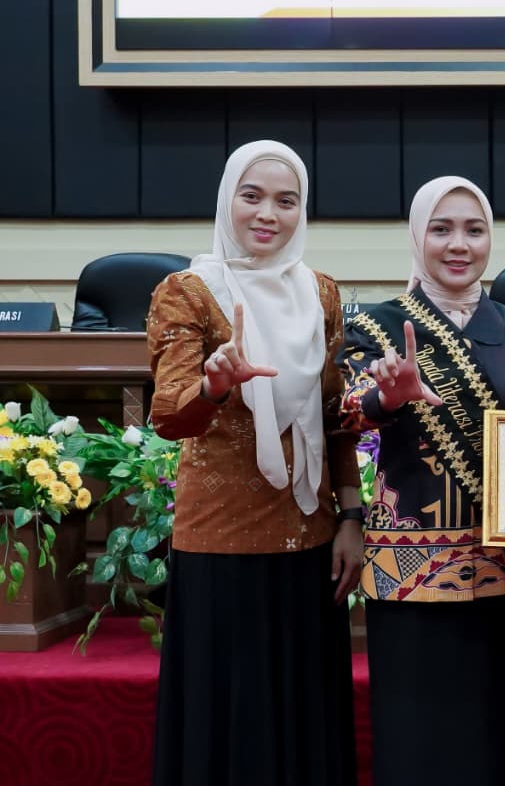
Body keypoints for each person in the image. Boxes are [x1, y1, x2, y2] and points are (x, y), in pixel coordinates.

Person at [148, 140, 362, 786]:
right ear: (227, 201)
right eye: (252, 196)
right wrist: (214, 385)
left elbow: (334, 417)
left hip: (310, 539)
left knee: (303, 715)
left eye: (286, 200)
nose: (268, 213)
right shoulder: (187, 293)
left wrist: (351, 517)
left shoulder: (320, 293)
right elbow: (169, 415)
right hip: (220, 540)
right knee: (229, 721)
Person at [338, 175, 505, 785]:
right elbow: (344, 415)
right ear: (418, 236)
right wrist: (388, 397)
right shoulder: (374, 326)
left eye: (474, 229)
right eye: (441, 229)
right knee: (415, 746)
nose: (459, 244)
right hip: (410, 580)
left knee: (491, 744)